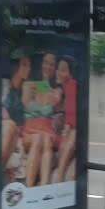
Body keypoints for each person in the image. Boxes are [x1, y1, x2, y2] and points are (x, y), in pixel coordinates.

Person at [22, 52, 62, 187]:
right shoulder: (28, 84)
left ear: (55, 68)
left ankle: (43, 186)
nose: (48, 67)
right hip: (29, 129)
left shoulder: (57, 90)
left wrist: (43, 84)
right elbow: (26, 102)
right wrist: (44, 84)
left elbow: (52, 101)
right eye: (46, 63)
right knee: (39, 138)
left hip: (47, 131)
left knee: (44, 139)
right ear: (40, 64)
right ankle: (29, 186)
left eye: (52, 65)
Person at [1, 53, 31, 172]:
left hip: (19, 131)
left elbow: (48, 89)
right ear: (16, 67)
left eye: (29, 66)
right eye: (24, 65)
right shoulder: (4, 84)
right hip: (5, 128)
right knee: (10, 126)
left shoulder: (28, 85)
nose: (28, 69)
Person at [54, 56, 78, 183]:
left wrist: (67, 128)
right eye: (58, 69)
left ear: (70, 73)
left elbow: (73, 114)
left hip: (73, 130)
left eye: (63, 70)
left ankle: (59, 178)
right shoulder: (57, 87)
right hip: (61, 130)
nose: (59, 72)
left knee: (71, 137)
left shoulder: (71, 85)